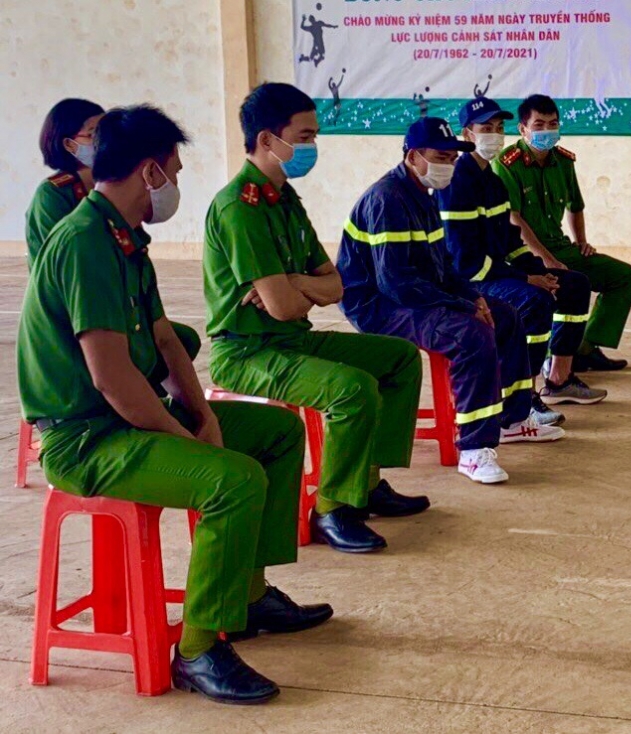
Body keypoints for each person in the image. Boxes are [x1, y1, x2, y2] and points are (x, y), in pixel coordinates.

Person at [18, 104, 332, 705]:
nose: (176, 184)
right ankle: (198, 651)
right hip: (86, 439)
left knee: (275, 433)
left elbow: (164, 339)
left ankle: (246, 597)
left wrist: (205, 415)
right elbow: (113, 379)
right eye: (175, 170)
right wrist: (183, 438)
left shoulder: (124, 236)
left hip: (123, 421)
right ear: (149, 172)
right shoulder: (84, 242)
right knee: (232, 480)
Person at [203, 82, 427, 555]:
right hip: (247, 352)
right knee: (351, 389)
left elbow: (336, 284)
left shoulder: (285, 200)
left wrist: (294, 282)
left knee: (399, 358)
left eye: (313, 137)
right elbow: (284, 307)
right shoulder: (240, 208)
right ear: (267, 140)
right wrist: (300, 291)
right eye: (303, 137)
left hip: (291, 340)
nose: (312, 147)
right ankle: (333, 509)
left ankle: (366, 482)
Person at [338, 117, 564, 486]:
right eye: (440, 157)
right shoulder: (387, 199)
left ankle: (512, 419)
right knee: (470, 335)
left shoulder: (423, 197)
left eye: (452, 158)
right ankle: (473, 449)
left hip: (412, 295)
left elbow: (443, 266)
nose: (448, 165)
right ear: (413, 156)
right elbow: (395, 283)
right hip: (379, 306)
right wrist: (461, 306)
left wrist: (474, 296)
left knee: (505, 315)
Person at [436, 97, 607, 426]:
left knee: (573, 284)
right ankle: (523, 399)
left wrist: (539, 269)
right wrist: (526, 279)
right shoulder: (458, 182)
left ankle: (559, 380)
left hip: (494, 271)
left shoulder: (492, 181)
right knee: (534, 300)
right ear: (468, 134)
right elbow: (466, 261)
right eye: (486, 128)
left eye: (499, 128)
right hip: (468, 279)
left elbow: (509, 240)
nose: (495, 135)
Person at [25, 98, 202, 364]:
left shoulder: (119, 201)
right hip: (77, 305)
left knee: (176, 340)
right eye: (93, 133)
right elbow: (64, 271)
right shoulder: (60, 206)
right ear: (70, 145)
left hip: (115, 300)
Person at [494, 94, 631, 373]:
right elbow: (514, 218)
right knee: (567, 286)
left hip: (562, 247)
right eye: (539, 125)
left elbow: (576, 205)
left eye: (553, 124)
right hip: (525, 254)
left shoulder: (563, 160)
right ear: (523, 129)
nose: (547, 130)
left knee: (624, 276)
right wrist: (546, 259)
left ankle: (585, 348)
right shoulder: (507, 164)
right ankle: (555, 356)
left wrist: (581, 242)